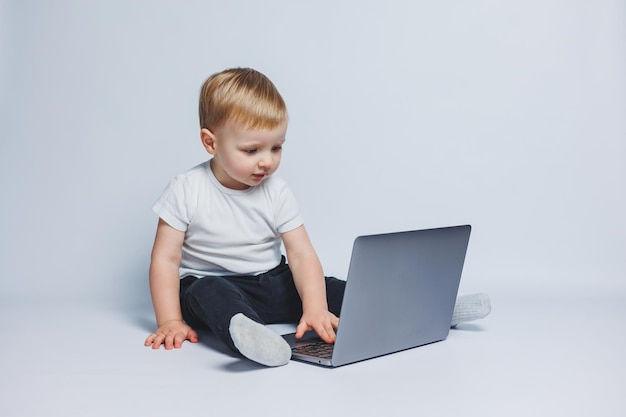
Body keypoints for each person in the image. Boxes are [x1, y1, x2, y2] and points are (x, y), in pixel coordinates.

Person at [144, 67, 491, 367]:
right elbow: (165, 258)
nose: (266, 161)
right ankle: (251, 338)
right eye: (252, 150)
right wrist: (170, 319)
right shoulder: (187, 188)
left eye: (276, 147)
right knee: (211, 291)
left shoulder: (275, 190)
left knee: (326, 288)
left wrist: (315, 307)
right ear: (210, 142)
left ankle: (430, 308)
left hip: (269, 281)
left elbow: (301, 253)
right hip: (211, 285)